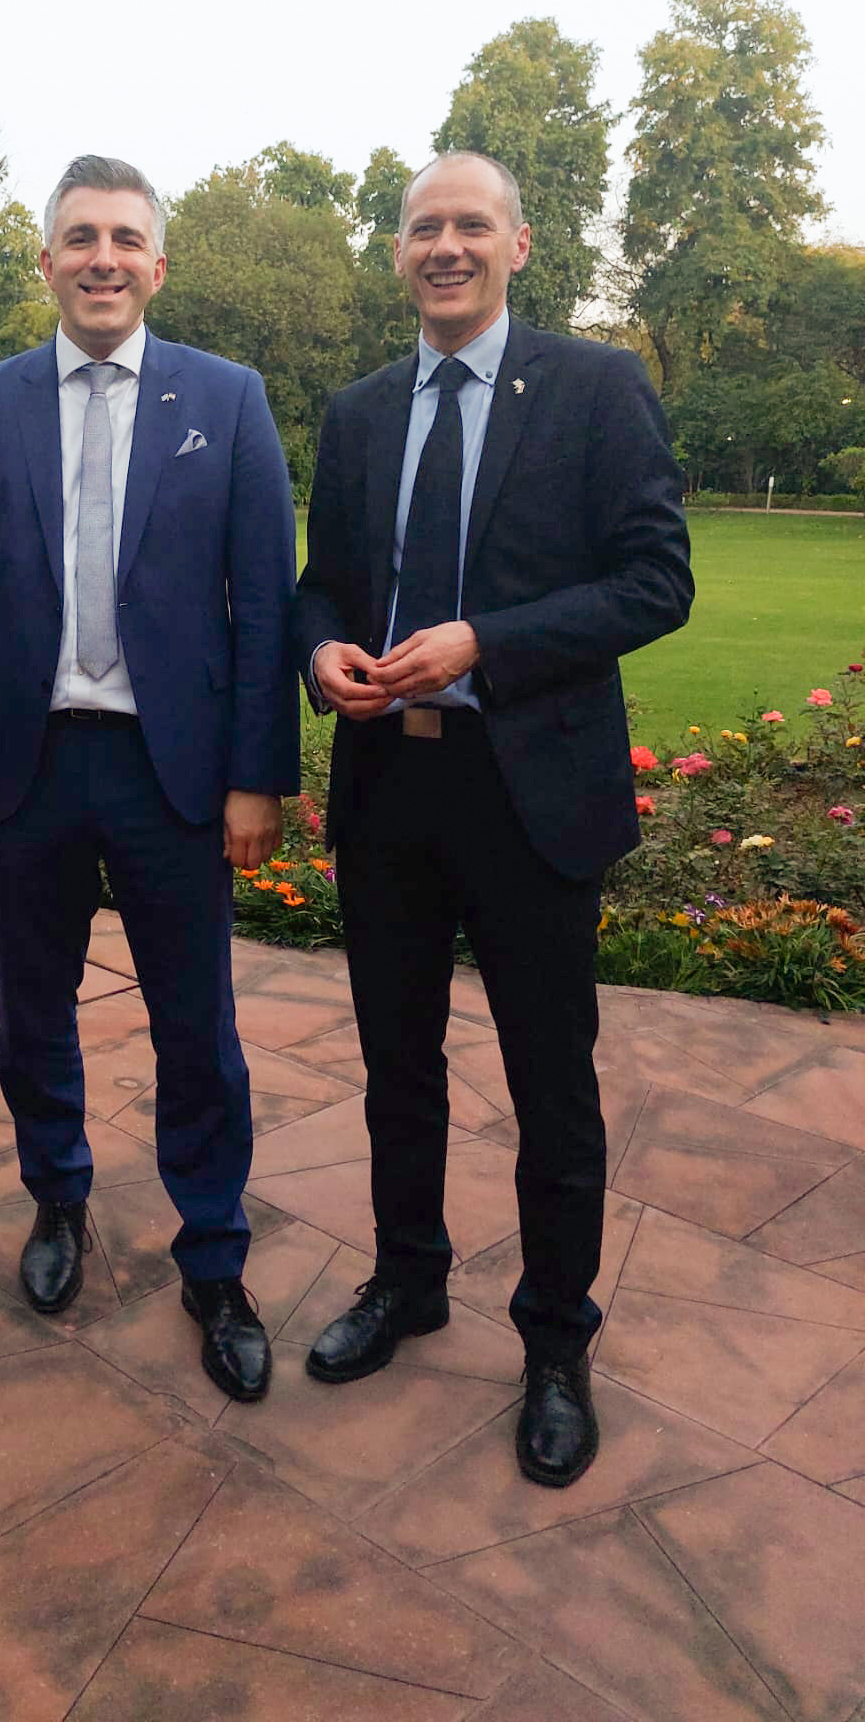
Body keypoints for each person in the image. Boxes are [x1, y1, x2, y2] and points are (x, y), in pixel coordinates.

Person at [294, 151, 692, 1486]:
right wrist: (324, 655)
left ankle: (556, 1345)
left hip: (531, 791)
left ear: (520, 244)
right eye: (424, 228)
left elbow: (655, 582)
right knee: (396, 1070)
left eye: (472, 225)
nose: (446, 246)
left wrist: (485, 642)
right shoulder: (357, 415)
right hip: (390, 785)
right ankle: (407, 1283)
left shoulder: (593, 389)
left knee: (550, 1086)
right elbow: (323, 589)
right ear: (398, 252)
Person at [0, 154, 299, 1402]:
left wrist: (258, 777)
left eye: (126, 237)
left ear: (158, 262)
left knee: (200, 1030)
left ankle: (216, 1255)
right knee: (35, 1014)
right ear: (46, 260)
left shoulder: (228, 400)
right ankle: (58, 1200)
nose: (103, 257)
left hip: (170, 773)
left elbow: (264, 607)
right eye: (80, 236)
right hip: (26, 775)